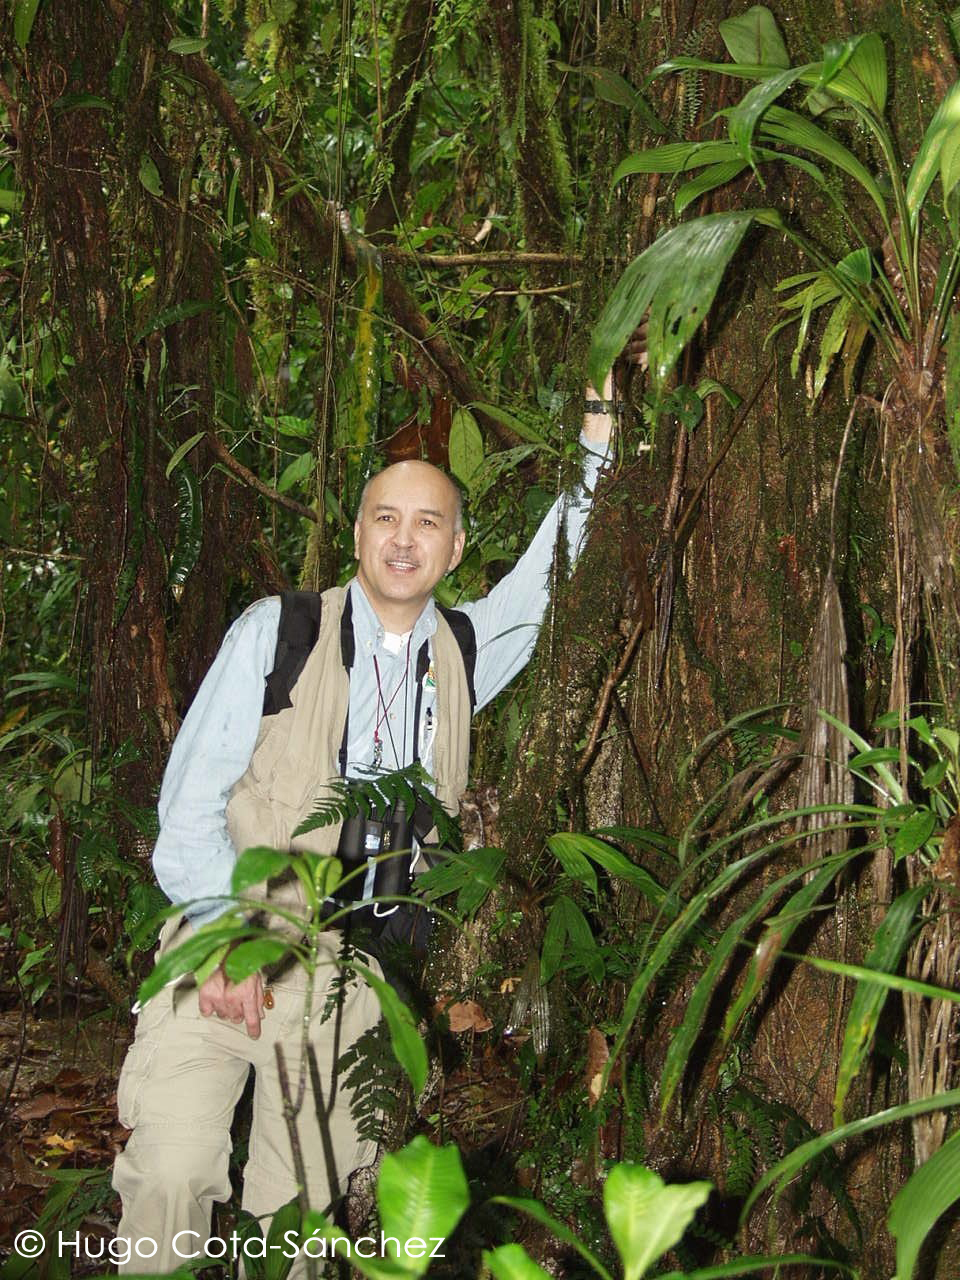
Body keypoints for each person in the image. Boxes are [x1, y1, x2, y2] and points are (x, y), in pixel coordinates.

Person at [111, 390, 615, 1273]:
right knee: (170, 1176)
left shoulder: (461, 653)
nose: (404, 538)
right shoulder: (280, 633)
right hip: (226, 946)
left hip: (348, 977)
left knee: (298, 1220)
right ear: (357, 535)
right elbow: (186, 811)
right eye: (386, 517)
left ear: (455, 548)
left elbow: (547, 578)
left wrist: (599, 436)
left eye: (428, 523)